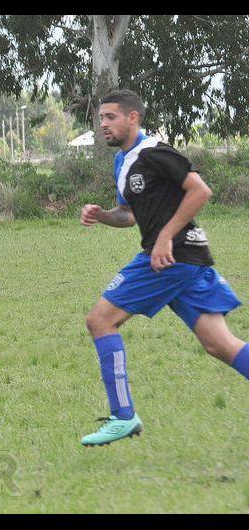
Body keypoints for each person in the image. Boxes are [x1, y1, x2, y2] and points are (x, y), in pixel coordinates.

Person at [79, 89, 249, 446]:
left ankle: (122, 416)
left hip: (171, 257)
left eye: (110, 117)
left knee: (100, 320)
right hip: (184, 259)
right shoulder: (123, 162)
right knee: (220, 345)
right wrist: (103, 215)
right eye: (101, 118)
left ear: (132, 118)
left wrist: (165, 236)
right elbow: (129, 215)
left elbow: (201, 191)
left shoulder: (154, 151)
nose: (103, 124)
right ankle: (123, 416)